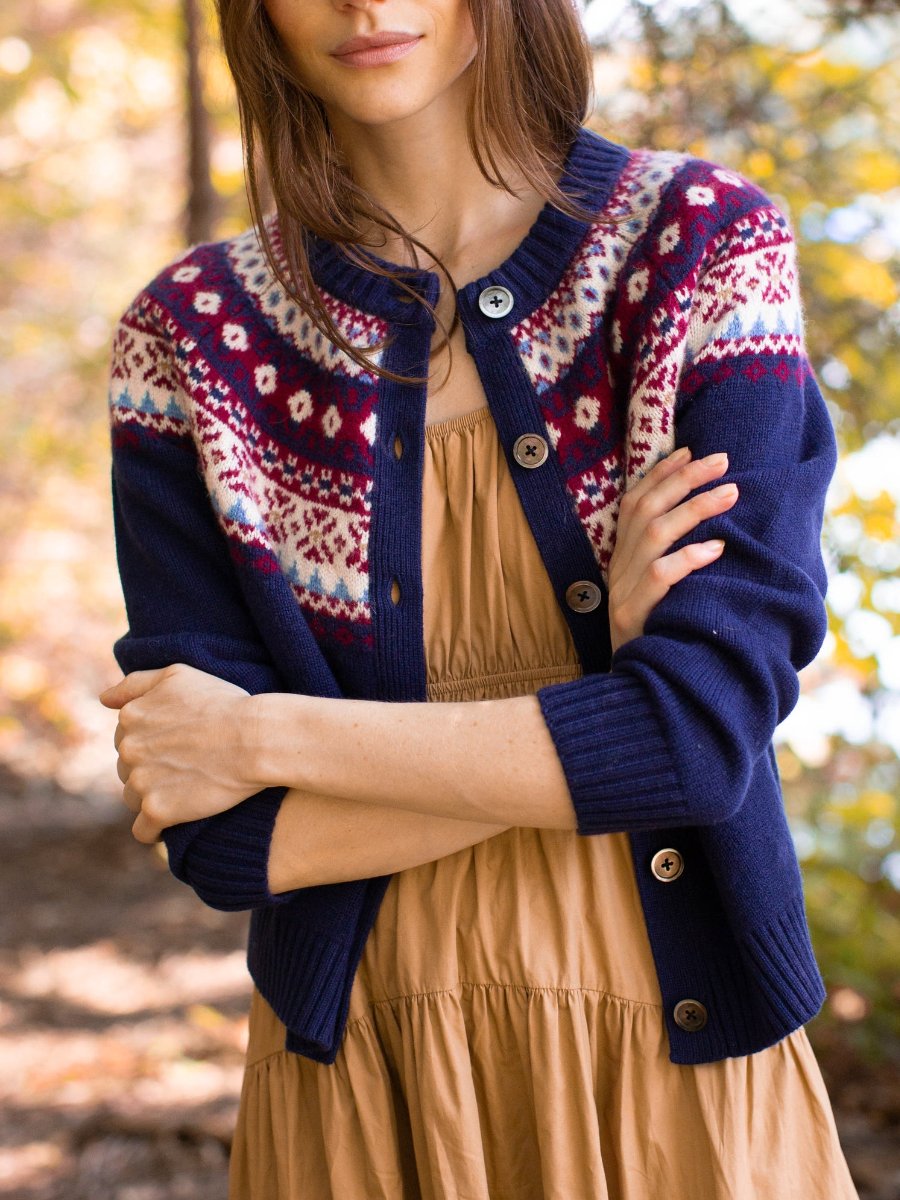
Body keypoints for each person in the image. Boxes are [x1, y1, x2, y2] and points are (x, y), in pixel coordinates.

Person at [97, 0, 861, 1195]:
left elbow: (700, 739)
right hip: (359, 1078)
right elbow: (229, 838)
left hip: (670, 1066)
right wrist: (608, 704)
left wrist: (261, 736)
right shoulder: (194, 341)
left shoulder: (701, 249)